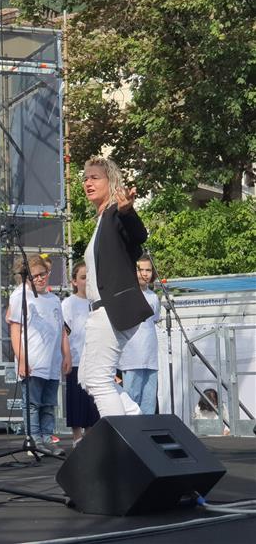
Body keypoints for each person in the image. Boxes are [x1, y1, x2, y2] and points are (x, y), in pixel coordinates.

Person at [77, 156, 153, 417]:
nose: (88, 182)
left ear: (112, 182)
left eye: (95, 177)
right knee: (88, 379)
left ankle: (120, 446)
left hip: (109, 309)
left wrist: (127, 211)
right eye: (85, 178)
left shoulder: (114, 215)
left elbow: (138, 236)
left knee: (98, 380)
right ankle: (135, 425)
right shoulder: (101, 221)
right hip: (99, 311)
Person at [7, 254, 72, 456]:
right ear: (26, 278)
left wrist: (66, 355)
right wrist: (22, 360)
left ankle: (47, 437)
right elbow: (15, 330)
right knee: (33, 403)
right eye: (34, 276)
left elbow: (61, 329)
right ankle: (34, 438)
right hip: (33, 360)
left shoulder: (53, 299)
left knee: (49, 403)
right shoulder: (20, 297)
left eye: (43, 274)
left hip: (52, 361)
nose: (40, 279)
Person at [61, 262, 99, 447]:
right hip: (77, 358)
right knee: (77, 399)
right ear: (74, 282)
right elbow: (64, 332)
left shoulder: (97, 303)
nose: (87, 281)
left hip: (95, 358)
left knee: (93, 401)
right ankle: (77, 436)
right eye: (83, 278)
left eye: (89, 278)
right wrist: (67, 355)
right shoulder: (68, 303)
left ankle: (91, 435)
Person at [120, 256, 161, 415]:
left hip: (150, 356)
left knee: (149, 401)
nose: (145, 273)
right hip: (132, 356)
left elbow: (155, 320)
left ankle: (145, 435)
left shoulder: (154, 297)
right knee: (132, 398)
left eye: (148, 270)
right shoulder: (127, 294)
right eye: (140, 269)